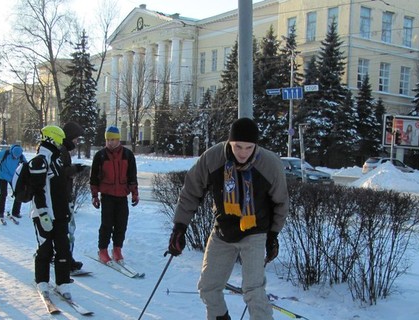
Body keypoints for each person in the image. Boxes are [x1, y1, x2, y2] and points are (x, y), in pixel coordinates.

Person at [167, 118, 289, 320]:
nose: (243, 152)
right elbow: (191, 191)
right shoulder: (213, 158)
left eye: (249, 147)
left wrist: (273, 235)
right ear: (229, 143)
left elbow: (281, 203)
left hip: (255, 231)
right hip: (223, 230)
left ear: (255, 145)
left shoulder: (269, 164)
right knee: (208, 288)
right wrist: (180, 227)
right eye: (238, 146)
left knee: (253, 290)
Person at [31, 125, 73, 299]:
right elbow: (37, 189)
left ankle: (62, 283)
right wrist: (42, 212)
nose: (61, 143)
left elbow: (60, 186)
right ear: (51, 138)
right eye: (59, 140)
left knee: (63, 250)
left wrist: (68, 206)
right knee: (45, 249)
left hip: (61, 214)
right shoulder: (40, 160)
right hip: (45, 215)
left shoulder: (56, 159)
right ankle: (42, 281)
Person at [90, 126, 139, 263]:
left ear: (118, 140)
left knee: (121, 223)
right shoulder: (100, 156)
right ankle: (103, 250)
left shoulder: (127, 155)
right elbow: (94, 178)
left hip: (122, 195)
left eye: (113, 139)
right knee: (106, 224)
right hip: (107, 195)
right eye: (107, 139)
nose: (110, 142)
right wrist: (94, 195)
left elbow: (132, 176)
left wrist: (134, 193)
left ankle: (117, 249)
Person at [60, 121, 88, 275]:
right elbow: (60, 173)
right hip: (62, 198)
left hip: (65, 196)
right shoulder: (62, 150)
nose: (77, 142)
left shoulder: (64, 150)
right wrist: (75, 169)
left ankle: (66, 258)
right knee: (66, 231)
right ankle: (66, 260)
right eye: (76, 138)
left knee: (67, 231)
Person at [0, 144, 27, 221]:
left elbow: (26, 166)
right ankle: (0, 211)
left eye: (17, 157)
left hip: (14, 177)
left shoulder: (21, 156)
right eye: (14, 156)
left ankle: (16, 212)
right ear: (11, 152)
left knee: (19, 193)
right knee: (3, 193)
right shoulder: (5, 153)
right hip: (3, 176)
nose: (16, 158)